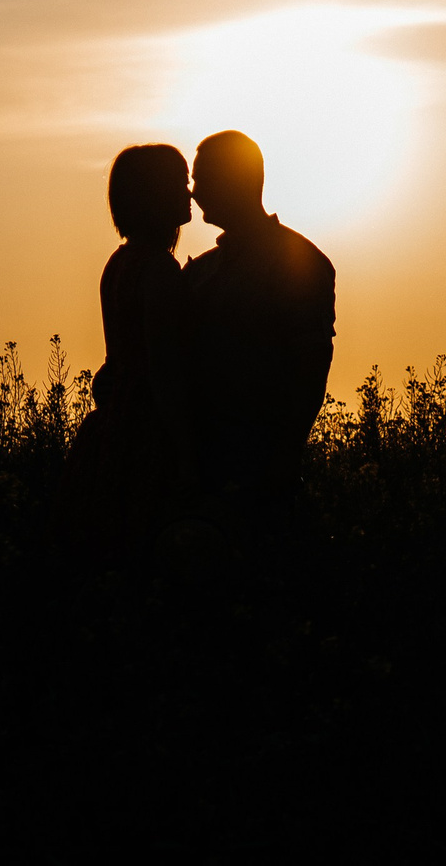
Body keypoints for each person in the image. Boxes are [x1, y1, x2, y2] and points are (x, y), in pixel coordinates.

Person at [181, 130, 336, 526]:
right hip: (197, 468)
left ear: (235, 180)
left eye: (202, 179)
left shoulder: (300, 262)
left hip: (260, 467)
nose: (194, 193)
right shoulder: (199, 273)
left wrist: (284, 459)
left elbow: (312, 367)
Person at [61, 143, 194, 554]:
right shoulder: (158, 269)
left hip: (117, 422)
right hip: (147, 434)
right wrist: (189, 452)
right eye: (179, 183)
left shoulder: (119, 263)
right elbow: (164, 371)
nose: (188, 193)